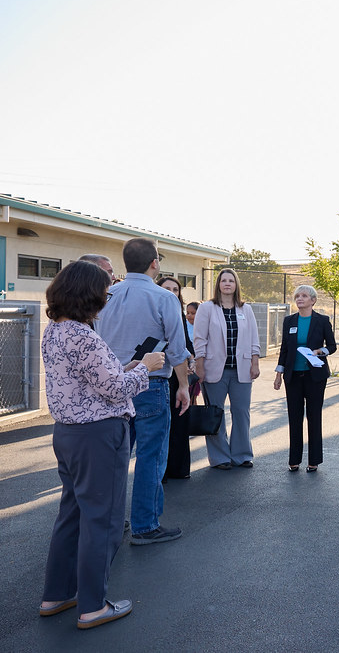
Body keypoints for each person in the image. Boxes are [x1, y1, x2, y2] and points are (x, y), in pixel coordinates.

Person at [39, 261, 165, 629]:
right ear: (89, 294)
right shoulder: (83, 335)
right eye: (105, 292)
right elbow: (114, 389)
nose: (106, 299)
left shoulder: (55, 331)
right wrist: (147, 366)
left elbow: (92, 380)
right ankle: (92, 605)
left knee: (72, 516)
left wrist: (127, 367)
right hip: (98, 434)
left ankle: (57, 594)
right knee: (104, 521)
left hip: (68, 433)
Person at [94, 238, 190, 546]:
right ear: (154, 264)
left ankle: (110, 520)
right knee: (151, 456)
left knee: (115, 458)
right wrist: (184, 387)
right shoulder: (164, 298)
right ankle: (146, 525)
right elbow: (176, 349)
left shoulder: (106, 295)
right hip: (151, 384)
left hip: (113, 385)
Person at [193, 268, 262, 470]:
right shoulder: (207, 308)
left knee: (242, 412)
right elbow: (199, 339)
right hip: (214, 369)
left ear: (236, 284)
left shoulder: (245, 309)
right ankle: (220, 457)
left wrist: (255, 362)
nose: (227, 284)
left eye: (231, 280)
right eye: (223, 280)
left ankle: (242, 455)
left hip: (241, 369)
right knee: (216, 413)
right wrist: (200, 365)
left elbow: (253, 339)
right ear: (218, 284)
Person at [273, 285, 337, 472]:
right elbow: (285, 348)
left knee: (314, 417)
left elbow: (332, 346)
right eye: (297, 296)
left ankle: (314, 460)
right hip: (292, 375)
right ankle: (294, 459)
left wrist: (319, 352)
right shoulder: (289, 321)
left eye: (304, 296)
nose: (300, 298)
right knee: (294, 417)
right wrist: (279, 374)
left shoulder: (322, 320)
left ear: (313, 300)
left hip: (315, 376)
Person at [156, 276, 196, 481]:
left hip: (178, 374)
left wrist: (190, 359)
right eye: (167, 288)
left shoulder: (179, 314)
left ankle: (179, 468)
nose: (172, 292)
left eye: (175, 289)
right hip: (160, 373)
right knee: (162, 423)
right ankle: (161, 471)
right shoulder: (152, 310)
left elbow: (185, 343)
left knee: (180, 419)